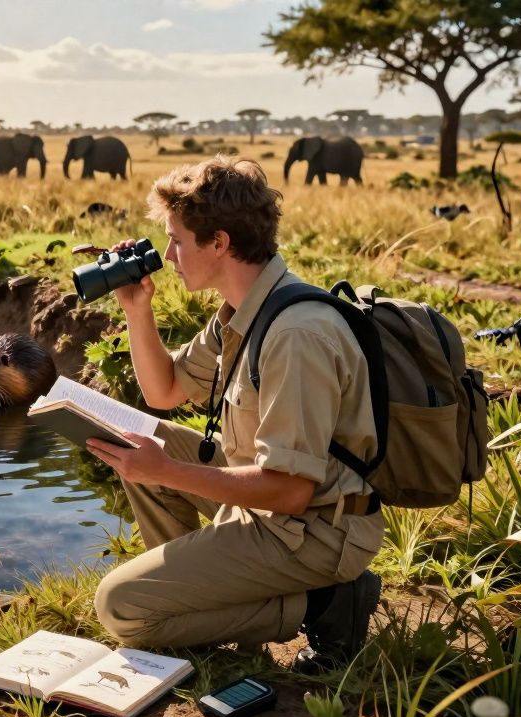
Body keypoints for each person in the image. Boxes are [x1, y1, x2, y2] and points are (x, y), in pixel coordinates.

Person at [86, 156, 384, 673]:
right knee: (138, 436)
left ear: (219, 243)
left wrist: (168, 471)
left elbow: (291, 491)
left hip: (315, 531)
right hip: (277, 510)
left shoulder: (296, 336)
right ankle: (200, 592)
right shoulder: (241, 311)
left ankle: (327, 604)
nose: (168, 255)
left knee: (120, 607)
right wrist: (137, 308)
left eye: (177, 239)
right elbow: (165, 391)